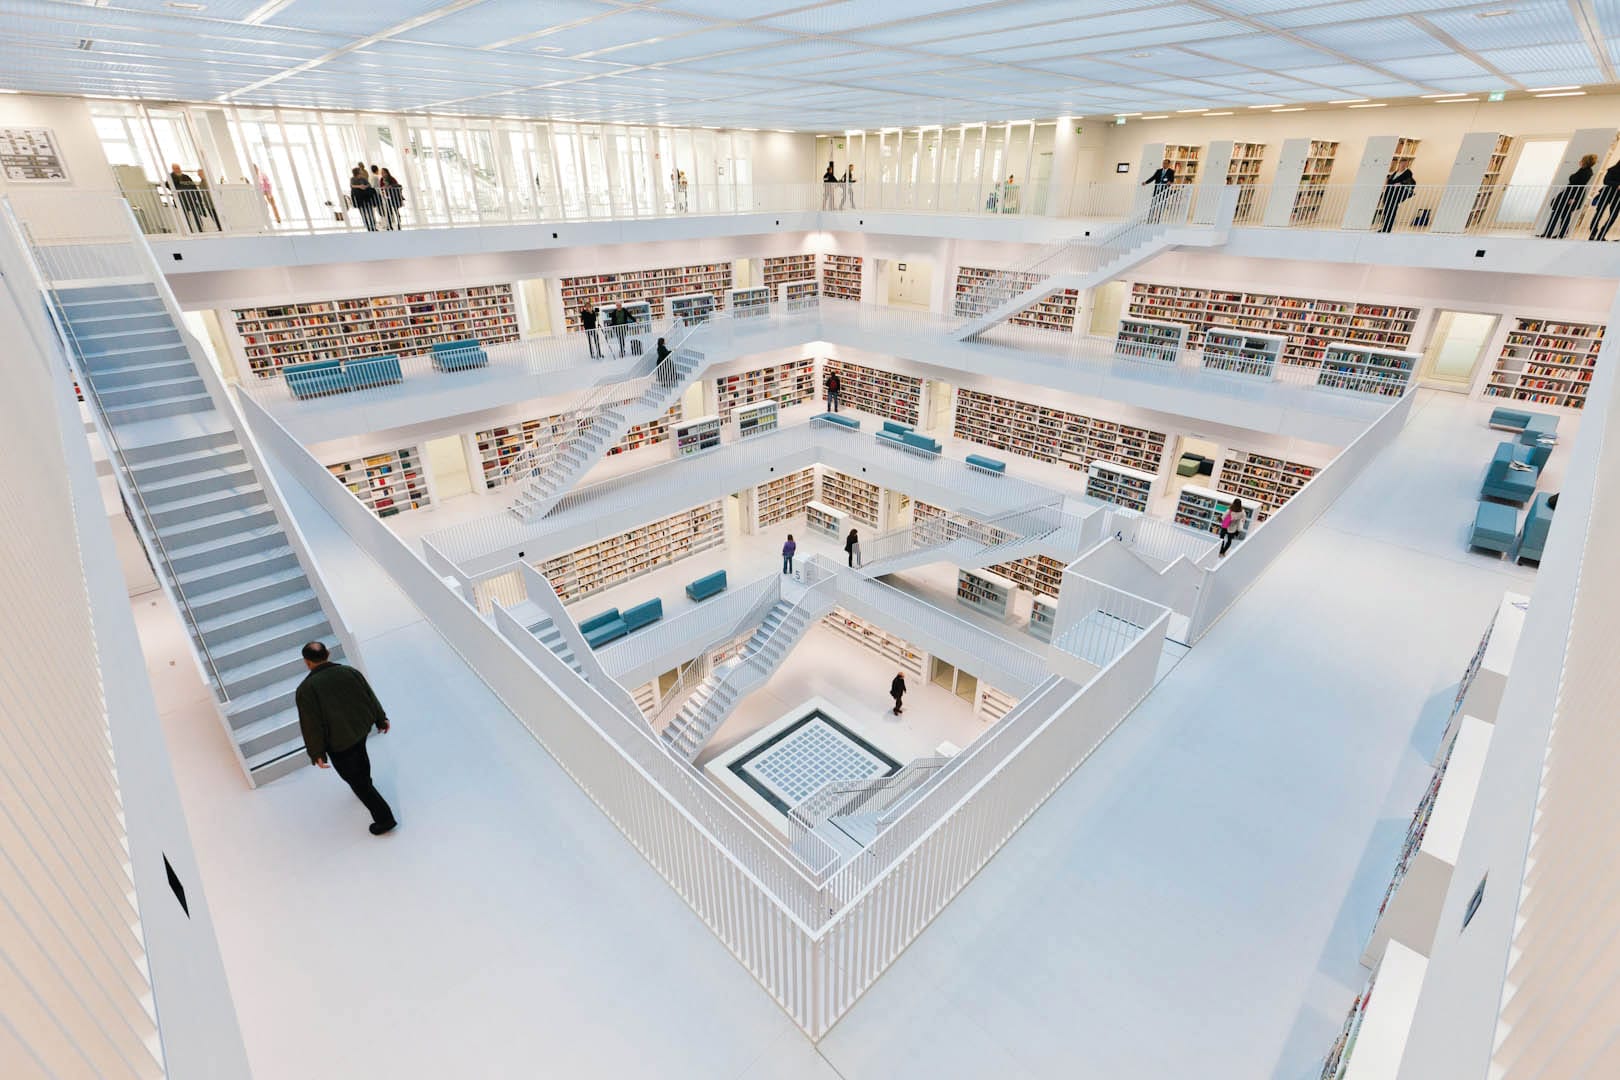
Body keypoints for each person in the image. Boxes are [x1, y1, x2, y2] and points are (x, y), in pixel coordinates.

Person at [294, 641, 397, 836]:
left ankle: (385, 819)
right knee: (361, 759)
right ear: (328, 653)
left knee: (355, 781)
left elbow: (311, 724)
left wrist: (316, 752)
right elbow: (369, 696)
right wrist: (381, 718)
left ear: (306, 662)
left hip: (338, 743)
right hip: (359, 731)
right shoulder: (349, 672)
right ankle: (366, 782)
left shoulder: (306, 689)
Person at [1541, 154, 1597, 239]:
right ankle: (1558, 234)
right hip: (1570, 193)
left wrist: (1573, 198)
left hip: (1571, 194)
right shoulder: (1585, 171)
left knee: (1560, 213)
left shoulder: (1585, 171)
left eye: (1582, 160)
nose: (1580, 161)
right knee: (1564, 213)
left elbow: (1579, 185)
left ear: (1585, 162)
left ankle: (1550, 233)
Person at [167, 164, 205, 232]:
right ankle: (189, 230)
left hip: (191, 199)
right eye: (175, 168)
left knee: (196, 215)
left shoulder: (186, 176)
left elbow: (194, 187)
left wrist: (198, 198)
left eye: (178, 168)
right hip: (181, 200)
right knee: (185, 217)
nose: (177, 169)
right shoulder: (171, 177)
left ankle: (200, 229)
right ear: (173, 169)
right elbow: (168, 185)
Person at [1378, 166, 1415, 233]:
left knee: (1391, 211)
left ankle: (1387, 228)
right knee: (1386, 211)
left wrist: (1401, 183)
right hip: (1388, 194)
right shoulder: (1395, 172)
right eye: (1401, 163)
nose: (1401, 164)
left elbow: (1411, 182)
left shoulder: (1407, 172)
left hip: (1395, 195)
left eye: (1403, 163)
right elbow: (1389, 181)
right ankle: (1384, 227)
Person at [1590, 160, 1620, 241]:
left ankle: (1601, 234)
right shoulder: (1612, 170)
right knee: (1599, 213)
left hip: (1617, 197)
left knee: (1613, 216)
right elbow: (1606, 181)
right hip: (1606, 194)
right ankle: (1593, 233)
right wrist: (1617, 185)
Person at [1142, 158, 1175, 222]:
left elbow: (1172, 180)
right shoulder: (1158, 171)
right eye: (1163, 163)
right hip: (1157, 190)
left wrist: (1169, 182)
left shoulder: (1171, 171)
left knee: (1161, 205)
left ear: (1168, 164)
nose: (1164, 164)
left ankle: (1157, 219)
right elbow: (1153, 178)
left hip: (1164, 191)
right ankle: (1150, 218)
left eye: (1165, 163)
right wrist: (1146, 182)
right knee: (1153, 204)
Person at [350, 166, 378, 231]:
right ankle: (368, 227)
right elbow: (352, 186)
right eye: (360, 171)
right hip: (359, 198)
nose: (361, 171)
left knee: (370, 212)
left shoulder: (363, 178)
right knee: (363, 213)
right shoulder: (352, 179)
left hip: (366, 197)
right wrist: (360, 186)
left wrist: (365, 186)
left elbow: (369, 185)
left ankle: (373, 226)